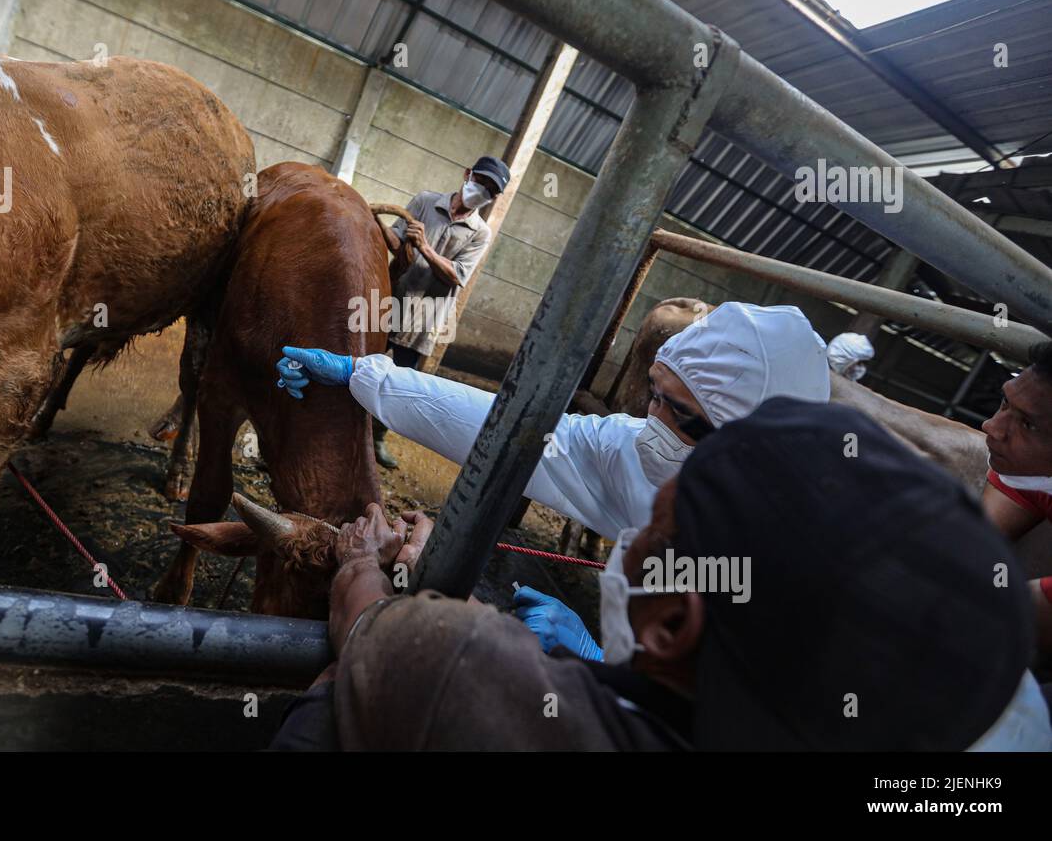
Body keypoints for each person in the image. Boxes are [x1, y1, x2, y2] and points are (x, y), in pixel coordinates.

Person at [270, 398, 1047, 750]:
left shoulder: (456, 670)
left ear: (674, 625)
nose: (630, 539)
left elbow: (375, 627)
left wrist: (379, 571)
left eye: (654, 530)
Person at [277, 302, 830, 656]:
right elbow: (516, 433)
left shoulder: (786, 563)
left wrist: (596, 659)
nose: (650, 421)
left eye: (678, 412)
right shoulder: (644, 447)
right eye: (654, 394)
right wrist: (365, 377)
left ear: (749, 442)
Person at [370, 155, 508, 468]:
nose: (481, 190)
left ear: (494, 197)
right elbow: (395, 242)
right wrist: (376, 220)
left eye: (489, 189)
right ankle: (343, 420)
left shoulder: (479, 232)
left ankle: (377, 436)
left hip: (424, 317)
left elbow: (457, 275)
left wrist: (425, 248)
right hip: (390, 301)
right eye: (480, 181)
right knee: (365, 358)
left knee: (402, 382)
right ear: (467, 174)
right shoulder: (425, 201)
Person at [980, 340, 1052, 662]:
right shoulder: (1034, 475)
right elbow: (966, 542)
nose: (991, 427)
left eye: (1028, 424)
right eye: (1004, 403)